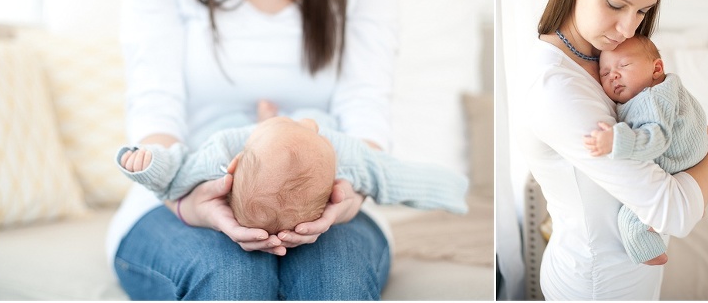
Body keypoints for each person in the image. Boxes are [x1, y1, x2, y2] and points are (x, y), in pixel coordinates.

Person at [106, 0, 401, 300]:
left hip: (330, 200)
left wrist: (347, 194)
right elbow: (154, 103)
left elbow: (366, 108)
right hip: (178, 198)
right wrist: (184, 199)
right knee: (231, 279)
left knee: (334, 282)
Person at [517, 0, 708, 300]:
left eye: (643, 11)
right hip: (598, 283)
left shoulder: (605, 55)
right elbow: (674, 212)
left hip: (629, 274)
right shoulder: (556, 87)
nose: (629, 28)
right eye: (616, 4)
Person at [115, 107, 468, 234]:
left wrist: (149, 165)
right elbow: (394, 176)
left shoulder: (223, 152)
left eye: (301, 126)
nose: (310, 124)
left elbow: (176, 175)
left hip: (264, 142)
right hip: (268, 145)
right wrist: (449, 188)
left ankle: (269, 117)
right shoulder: (337, 152)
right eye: (299, 125)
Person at [582, 35, 708, 266]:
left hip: (679, 158)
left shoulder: (649, 98)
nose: (614, 75)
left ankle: (652, 253)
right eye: (605, 73)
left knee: (630, 218)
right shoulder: (657, 91)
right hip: (693, 150)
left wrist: (616, 141)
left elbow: (656, 140)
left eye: (624, 65)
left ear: (657, 68)